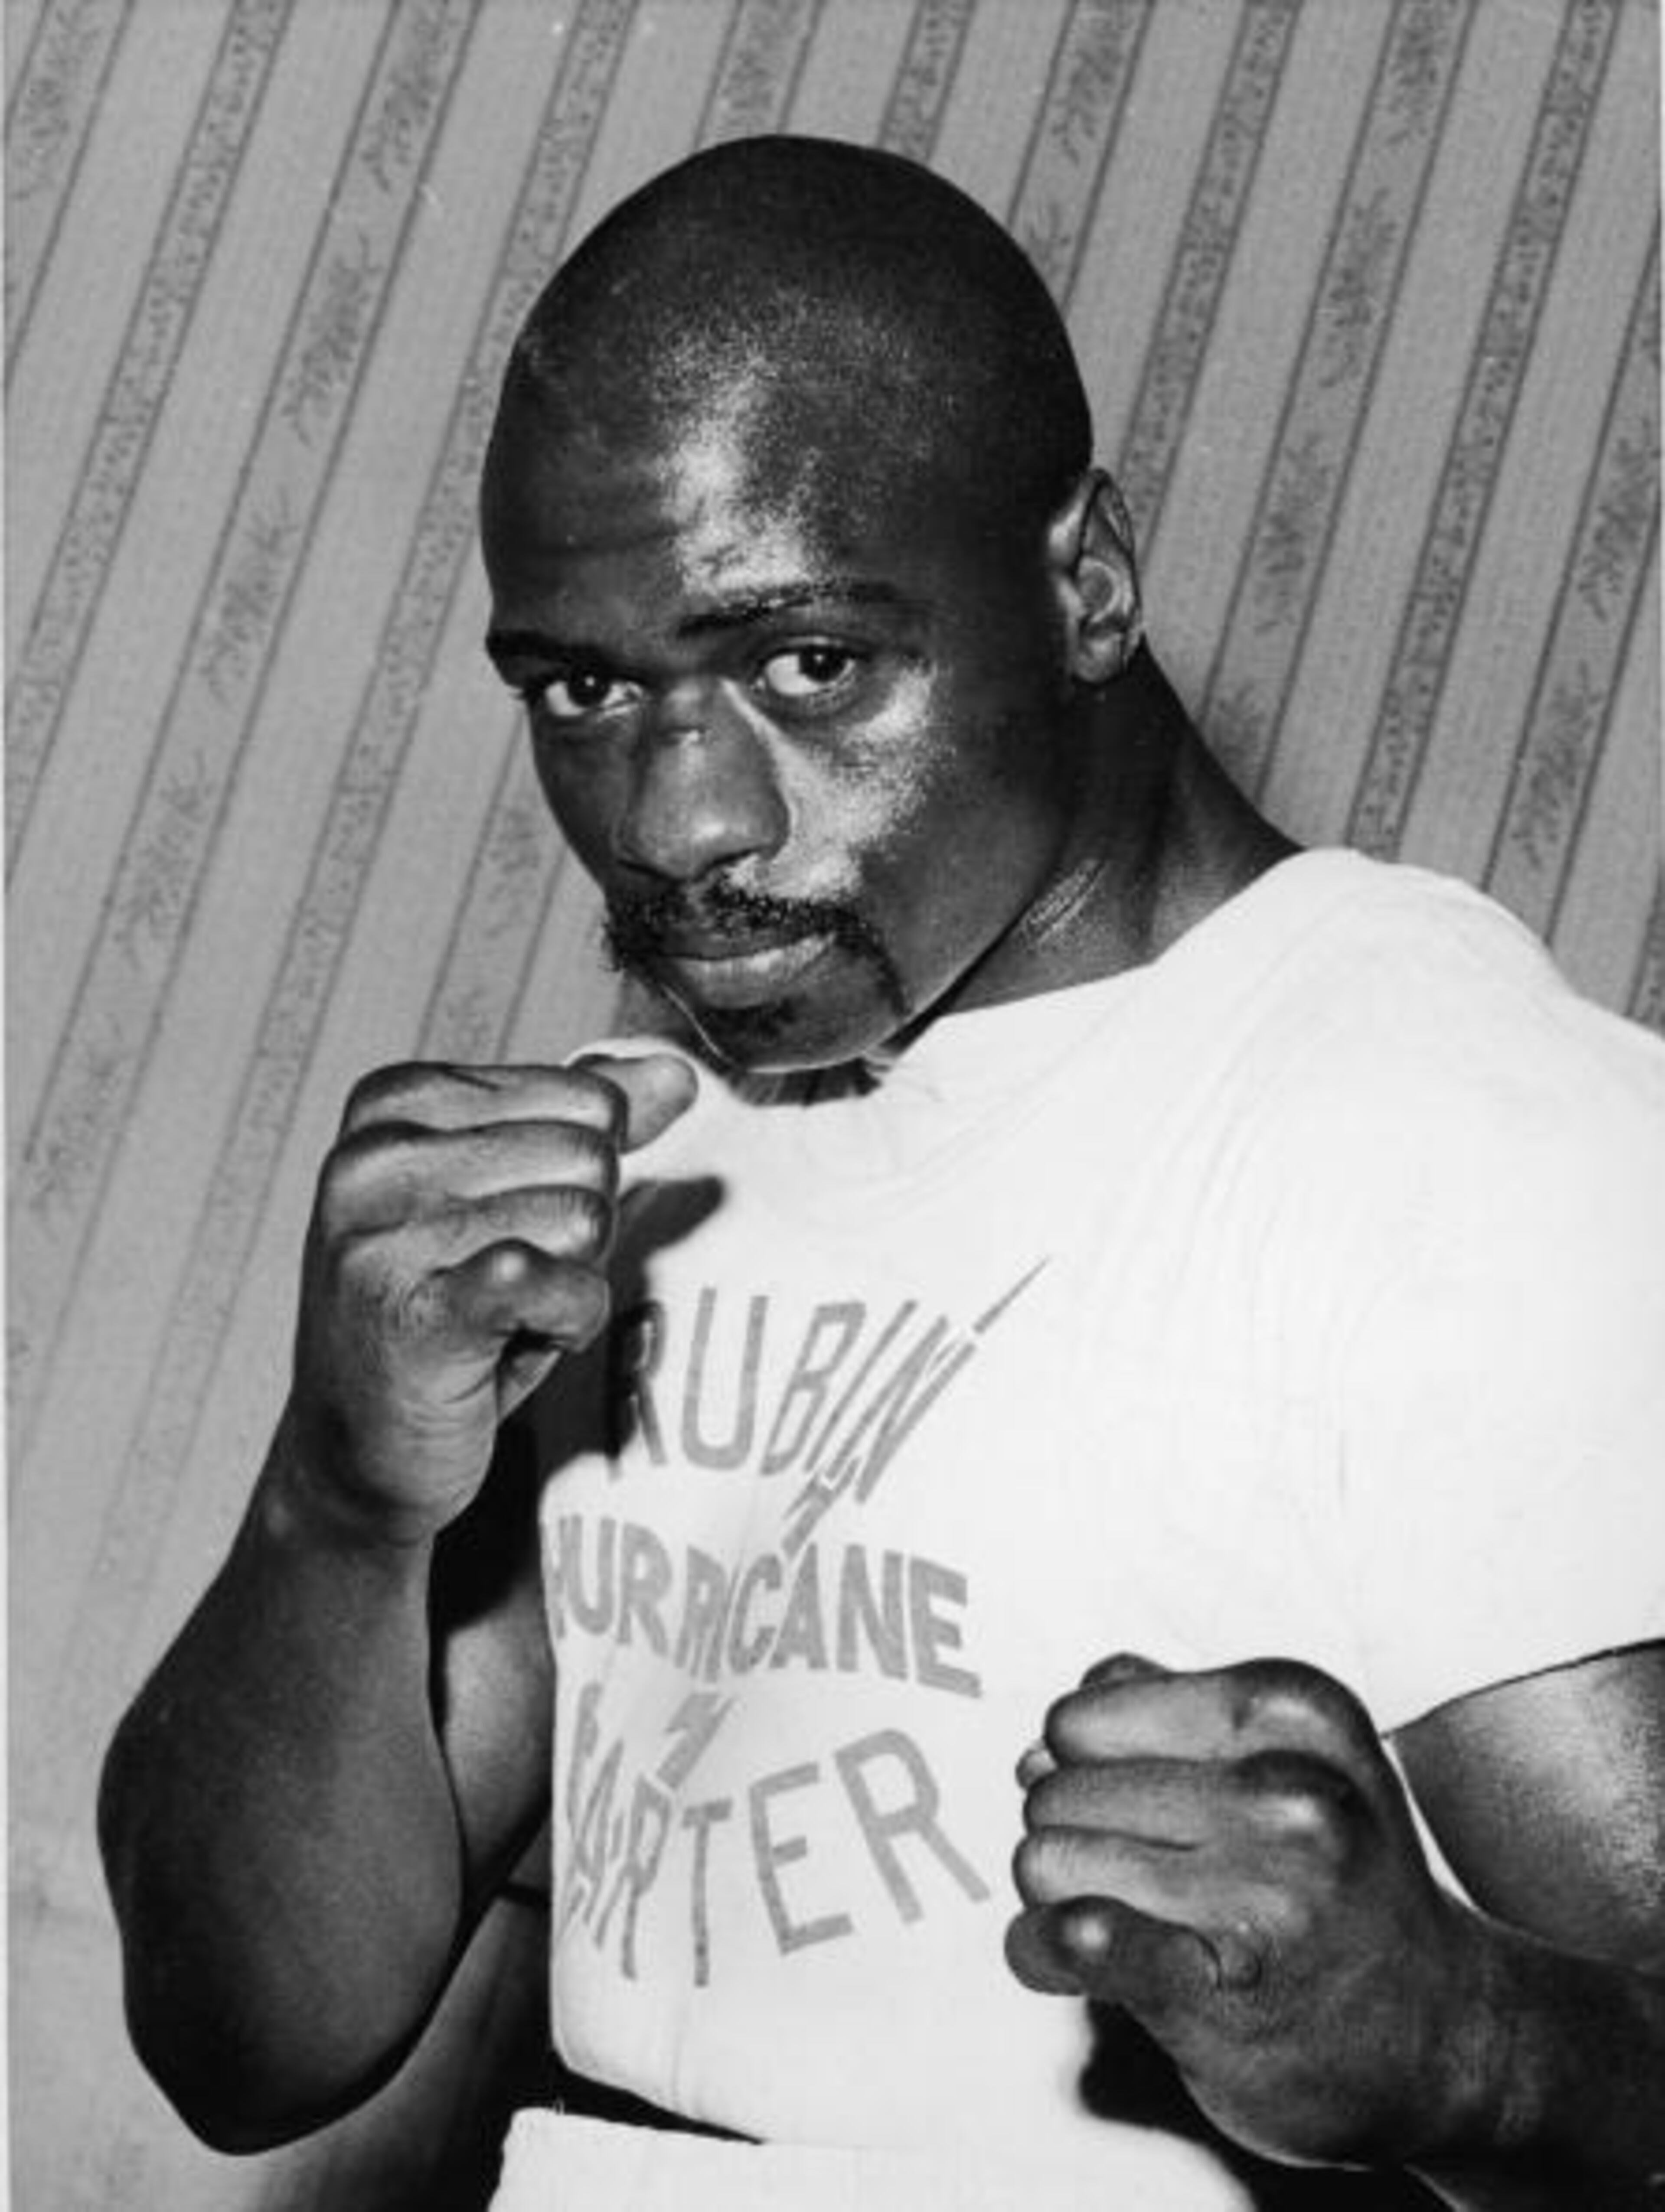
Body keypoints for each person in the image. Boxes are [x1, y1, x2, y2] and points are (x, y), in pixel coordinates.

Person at [99, 135, 1665, 2211]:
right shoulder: (658, 1149)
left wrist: (1474, 2044)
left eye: (807, 664)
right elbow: (247, 2042)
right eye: (587, 688)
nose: (679, 819)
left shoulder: (1452, 1132)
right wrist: (334, 1500)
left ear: (1085, 579)